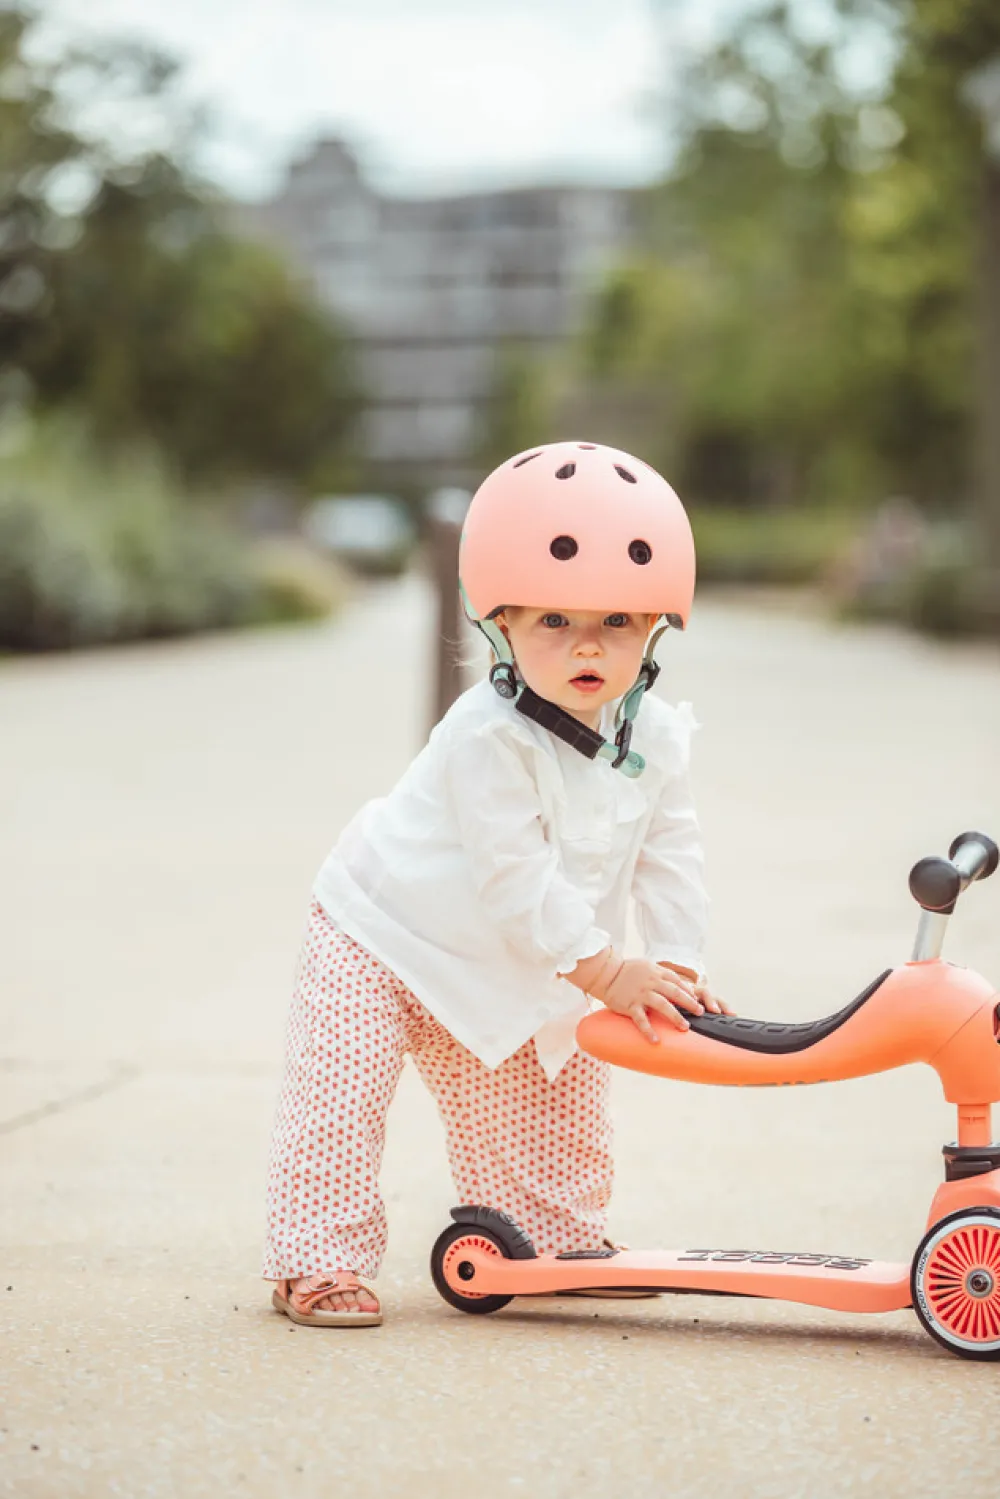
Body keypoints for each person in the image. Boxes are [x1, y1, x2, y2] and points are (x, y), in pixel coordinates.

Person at [263, 439, 730, 1327]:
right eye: (554, 621)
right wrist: (602, 969)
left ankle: (553, 1242)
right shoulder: (488, 735)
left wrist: (672, 960)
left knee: (553, 1092)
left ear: (657, 629)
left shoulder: (658, 739)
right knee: (342, 1097)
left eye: (619, 622)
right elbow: (514, 873)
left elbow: (674, 850)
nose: (587, 643)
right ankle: (317, 1258)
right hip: (383, 933)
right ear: (500, 624)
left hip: (527, 954)